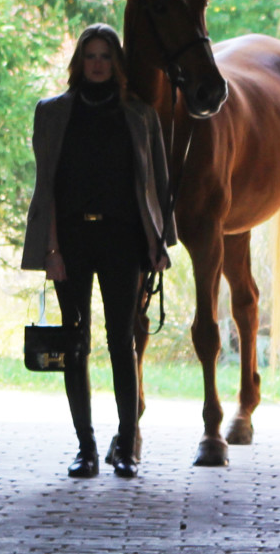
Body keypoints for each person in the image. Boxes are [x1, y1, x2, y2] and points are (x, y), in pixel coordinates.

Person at [20, 25, 175, 479]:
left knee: (122, 342)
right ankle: (85, 448)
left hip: (123, 240)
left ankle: (126, 446)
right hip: (70, 241)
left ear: (117, 63)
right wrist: (51, 249)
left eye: (106, 56)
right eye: (90, 56)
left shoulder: (140, 116)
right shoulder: (52, 113)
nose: (98, 64)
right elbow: (46, 187)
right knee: (75, 342)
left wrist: (158, 245)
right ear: (79, 62)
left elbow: (156, 185)